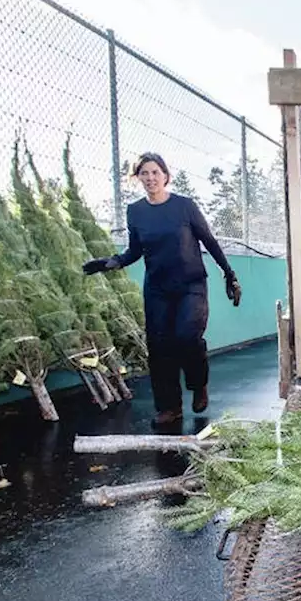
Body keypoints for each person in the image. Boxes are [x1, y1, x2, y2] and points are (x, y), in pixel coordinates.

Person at [82, 152, 241, 426]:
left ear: (166, 176)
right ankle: (170, 407)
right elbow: (135, 250)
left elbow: (209, 241)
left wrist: (230, 275)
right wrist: (112, 262)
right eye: (144, 173)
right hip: (157, 288)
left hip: (191, 284)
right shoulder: (136, 211)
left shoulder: (184, 206)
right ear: (138, 178)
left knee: (187, 337)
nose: (150, 178)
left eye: (155, 172)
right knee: (159, 347)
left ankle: (198, 384)